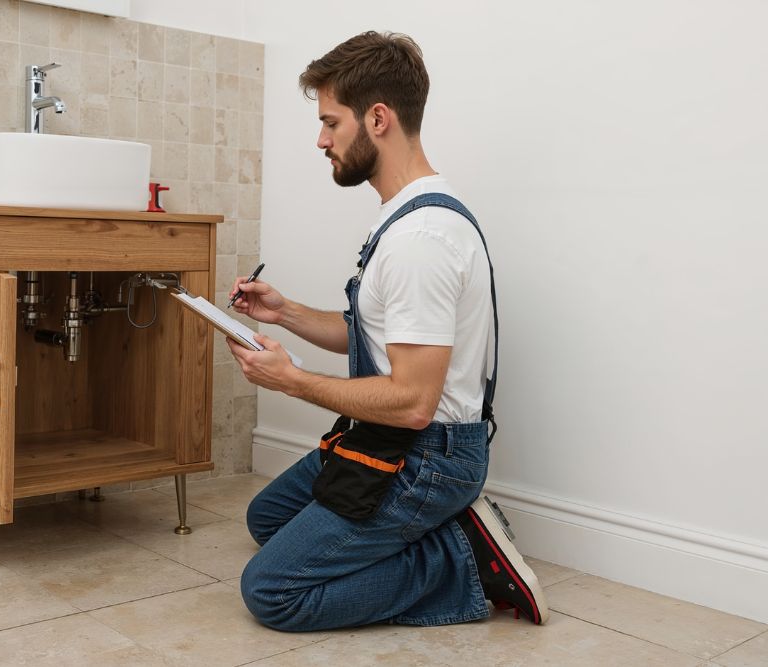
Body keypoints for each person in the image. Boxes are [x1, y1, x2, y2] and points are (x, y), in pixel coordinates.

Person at [226, 31, 549, 631]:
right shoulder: (407, 219)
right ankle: (439, 532)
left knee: (272, 592)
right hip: (392, 441)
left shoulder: (419, 243)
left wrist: (291, 381)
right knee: (267, 520)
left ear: (378, 118)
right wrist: (285, 313)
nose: (321, 140)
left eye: (331, 123)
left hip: (427, 459)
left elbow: (412, 403)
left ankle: (466, 560)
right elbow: (372, 335)